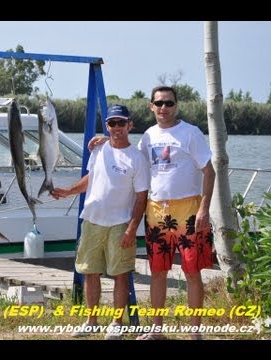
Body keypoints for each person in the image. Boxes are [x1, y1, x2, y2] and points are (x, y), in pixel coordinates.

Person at [89, 86, 216, 340]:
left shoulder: (190, 133)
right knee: (158, 272)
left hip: (188, 210)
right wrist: (108, 140)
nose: (163, 108)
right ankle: (157, 329)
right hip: (156, 210)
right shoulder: (147, 136)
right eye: (159, 103)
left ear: (176, 105)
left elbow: (209, 171)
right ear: (151, 106)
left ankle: (195, 332)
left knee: (192, 272)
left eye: (169, 103)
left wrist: (204, 208)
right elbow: (132, 157)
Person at [51, 104, 149, 340]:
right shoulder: (99, 149)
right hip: (92, 220)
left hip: (120, 224)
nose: (117, 127)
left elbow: (141, 197)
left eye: (121, 123)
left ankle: (116, 323)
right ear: (107, 125)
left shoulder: (138, 158)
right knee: (90, 272)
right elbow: (90, 178)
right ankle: (91, 321)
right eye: (112, 123)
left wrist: (132, 228)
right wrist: (67, 192)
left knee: (120, 274)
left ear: (130, 125)